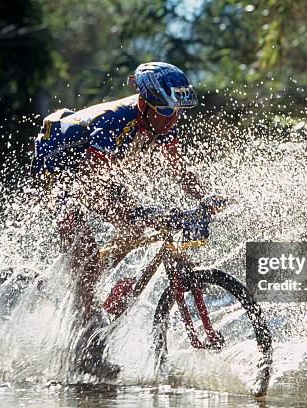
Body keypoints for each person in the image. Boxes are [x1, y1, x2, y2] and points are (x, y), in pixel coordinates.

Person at [32, 62, 225, 321]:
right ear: (143, 104)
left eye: (177, 111)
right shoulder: (113, 121)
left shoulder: (162, 120)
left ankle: (90, 277)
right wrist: (142, 212)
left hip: (90, 172)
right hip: (57, 168)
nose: (172, 119)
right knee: (86, 246)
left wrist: (205, 197)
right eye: (166, 110)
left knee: (132, 228)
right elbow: (88, 185)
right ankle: (85, 317)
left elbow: (179, 170)